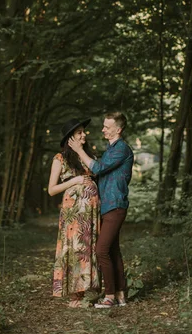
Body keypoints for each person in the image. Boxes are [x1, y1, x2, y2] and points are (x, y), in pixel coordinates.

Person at [69, 111, 133, 308]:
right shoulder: (111, 148)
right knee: (113, 250)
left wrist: (79, 150)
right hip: (107, 206)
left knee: (101, 250)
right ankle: (121, 294)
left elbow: (98, 168)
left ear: (118, 129)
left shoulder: (121, 148)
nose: (103, 129)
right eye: (104, 125)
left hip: (115, 205)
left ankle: (110, 296)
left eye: (107, 126)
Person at [48, 117, 101, 308]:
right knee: (75, 248)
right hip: (74, 212)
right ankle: (75, 294)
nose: (83, 134)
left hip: (91, 211)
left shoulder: (89, 157)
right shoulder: (60, 159)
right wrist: (75, 181)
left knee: (90, 248)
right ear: (70, 138)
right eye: (79, 132)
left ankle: (90, 290)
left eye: (83, 132)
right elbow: (51, 189)